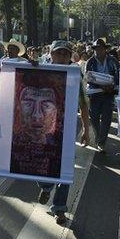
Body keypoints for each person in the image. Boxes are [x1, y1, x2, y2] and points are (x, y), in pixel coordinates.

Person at [35, 40, 90, 225]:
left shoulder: (76, 75)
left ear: (70, 57)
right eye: (58, 53)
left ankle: (59, 208)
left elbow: (83, 103)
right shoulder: (40, 71)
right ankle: (46, 186)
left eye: (65, 54)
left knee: (66, 168)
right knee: (41, 163)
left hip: (66, 129)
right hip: (43, 129)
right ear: (51, 54)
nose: (61, 57)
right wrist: (30, 68)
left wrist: (86, 129)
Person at [85, 38, 119, 153]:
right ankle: (99, 137)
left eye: (100, 48)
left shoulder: (113, 61)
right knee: (94, 118)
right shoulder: (90, 62)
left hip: (108, 94)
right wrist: (99, 85)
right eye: (96, 49)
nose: (98, 51)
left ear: (105, 49)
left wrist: (112, 85)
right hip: (94, 94)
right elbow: (88, 78)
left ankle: (101, 142)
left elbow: (117, 75)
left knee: (106, 118)